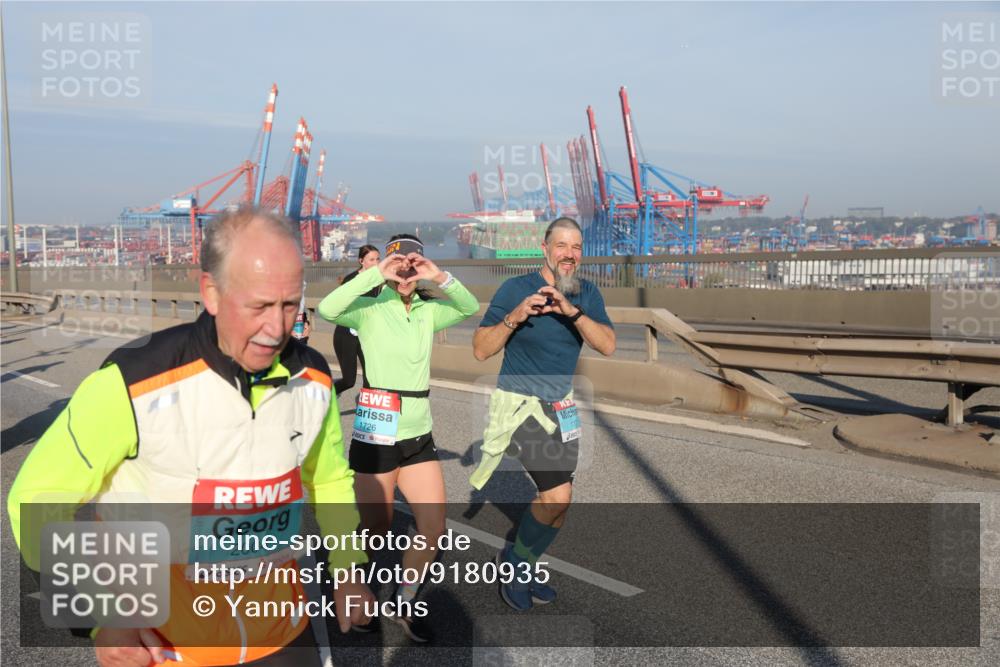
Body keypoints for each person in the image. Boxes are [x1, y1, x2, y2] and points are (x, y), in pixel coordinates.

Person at [7, 206, 375, 667]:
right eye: (259, 305)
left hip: (281, 632)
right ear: (211, 292)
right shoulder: (132, 381)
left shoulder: (314, 378)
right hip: (167, 645)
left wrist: (347, 567)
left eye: (289, 304)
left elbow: (329, 481)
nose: (277, 329)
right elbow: (36, 498)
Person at [316, 234, 479, 642]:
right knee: (376, 530)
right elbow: (326, 308)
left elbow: (469, 306)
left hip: (418, 433)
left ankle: (404, 600)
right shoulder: (368, 309)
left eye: (412, 266)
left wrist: (439, 275)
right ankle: (352, 589)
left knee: (433, 526)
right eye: (398, 266)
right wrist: (373, 272)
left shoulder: (428, 310)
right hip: (377, 431)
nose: (406, 273)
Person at [471, 217, 615, 611]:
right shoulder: (515, 288)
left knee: (559, 506)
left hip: (561, 409)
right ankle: (515, 565)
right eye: (561, 246)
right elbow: (481, 349)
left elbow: (607, 344)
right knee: (557, 493)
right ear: (545, 248)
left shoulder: (587, 292)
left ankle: (526, 562)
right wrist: (516, 314)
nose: (569, 254)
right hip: (520, 406)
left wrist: (571, 311)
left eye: (576, 248)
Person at [333, 244, 380, 395]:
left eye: (378, 259)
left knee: (372, 380)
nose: (376, 262)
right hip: (347, 334)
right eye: (371, 259)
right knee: (348, 381)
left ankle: (367, 414)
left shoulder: (381, 280)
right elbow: (339, 306)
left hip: (366, 334)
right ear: (361, 261)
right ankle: (324, 395)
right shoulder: (351, 280)